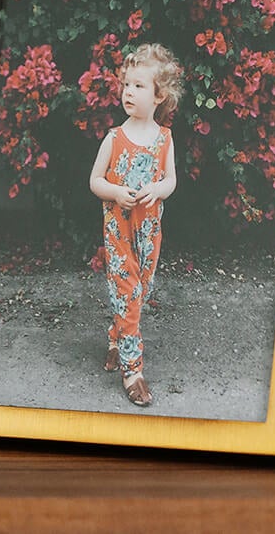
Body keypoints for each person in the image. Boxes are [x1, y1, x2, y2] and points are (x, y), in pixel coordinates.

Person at [90, 42, 186, 406]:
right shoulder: (114, 138)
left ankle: (116, 337)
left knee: (139, 292)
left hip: (149, 235)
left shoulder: (164, 139)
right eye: (126, 84)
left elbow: (171, 181)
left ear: (159, 95)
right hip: (119, 234)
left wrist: (158, 189)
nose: (128, 91)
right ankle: (134, 371)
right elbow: (95, 181)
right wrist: (115, 192)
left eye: (139, 86)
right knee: (128, 293)